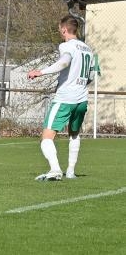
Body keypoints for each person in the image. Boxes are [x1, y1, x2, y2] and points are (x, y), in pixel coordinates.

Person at [28, 15, 94, 181]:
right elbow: (92, 74)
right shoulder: (87, 49)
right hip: (81, 99)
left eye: (59, 29)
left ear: (64, 29)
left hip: (65, 98)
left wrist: (40, 72)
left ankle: (55, 170)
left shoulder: (67, 46)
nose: (60, 32)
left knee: (47, 138)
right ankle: (71, 172)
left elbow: (64, 63)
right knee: (74, 133)